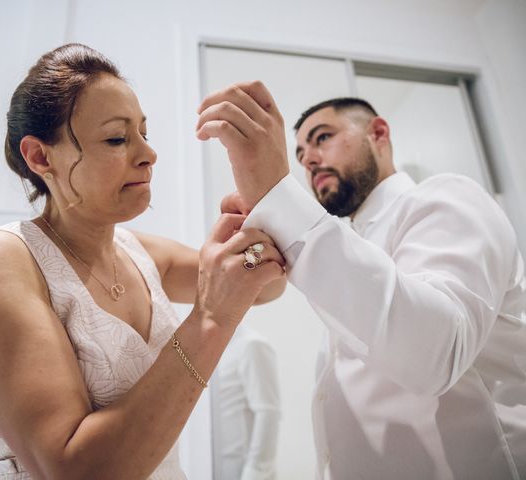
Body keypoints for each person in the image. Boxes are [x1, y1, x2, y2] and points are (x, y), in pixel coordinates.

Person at [0, 44, 287, 480]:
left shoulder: (144, 255)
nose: (148, 154)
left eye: (144, 133)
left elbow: (270, 286)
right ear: (40, 157)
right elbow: (72, 470)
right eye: (116, 138)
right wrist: (212, 317)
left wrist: (259, 178)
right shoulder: (0, 261)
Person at [196, 83, 526, 480]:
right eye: (300, 155)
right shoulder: (350, 245)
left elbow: (435, 352)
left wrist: (277, 196)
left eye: (323, 138)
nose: (310, 161)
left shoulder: (448, 198)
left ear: (379, 134)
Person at [212, 323, 280, 480]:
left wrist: (255, 472)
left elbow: (268, 412)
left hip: (240, 471)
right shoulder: (201, 348)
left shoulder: (251, 345)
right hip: (211, 468)